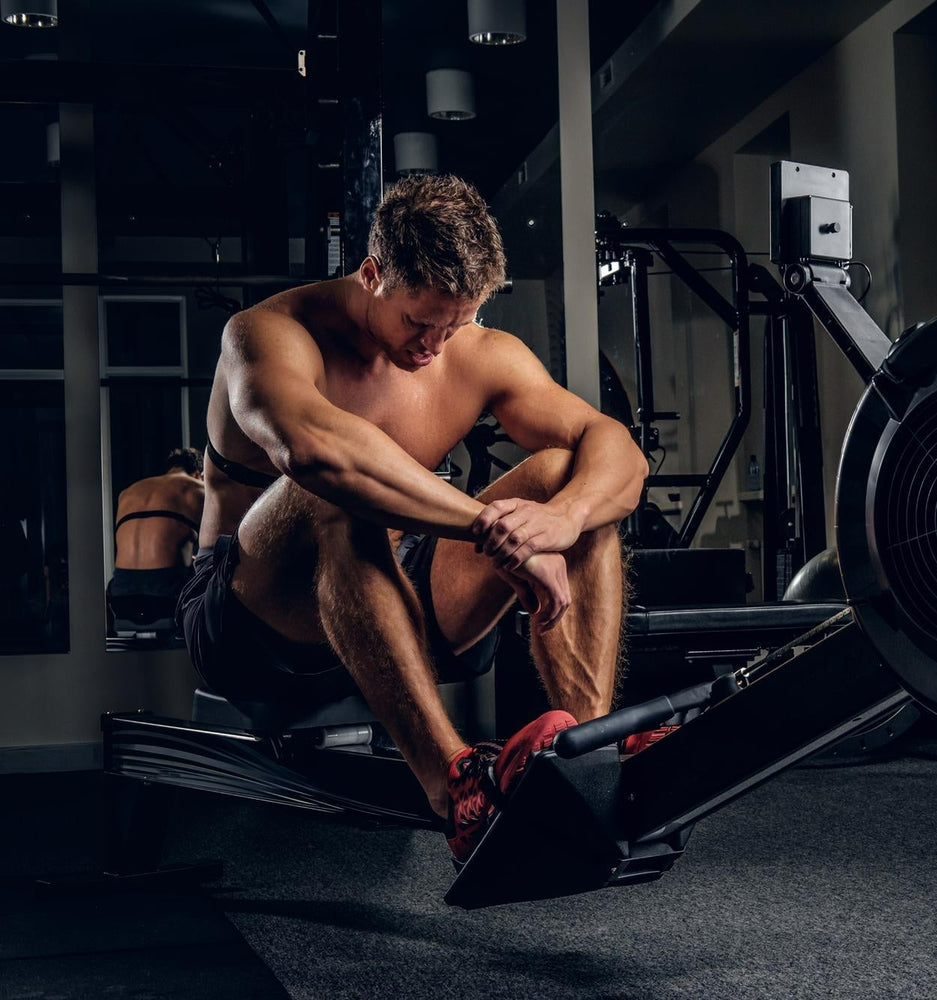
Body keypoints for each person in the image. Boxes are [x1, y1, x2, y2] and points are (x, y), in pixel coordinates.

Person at [176, 174, 650, 867]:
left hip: (390, 603)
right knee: (333, 487)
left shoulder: (476, 353)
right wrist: (498, 532)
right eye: (418, 322)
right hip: (252, 628)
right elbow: (315, 452)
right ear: (372, 275)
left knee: (561, 473)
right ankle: (455, 788)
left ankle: (588, 754)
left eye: (454, 324)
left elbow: (620, 454)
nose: (433, 345)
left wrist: (563, 519)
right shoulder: (268, 335)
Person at [109, 447, 205, 632]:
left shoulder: (129, 492)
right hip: (166, 597)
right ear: (198, 473)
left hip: (121, 598)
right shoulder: (197, 488)